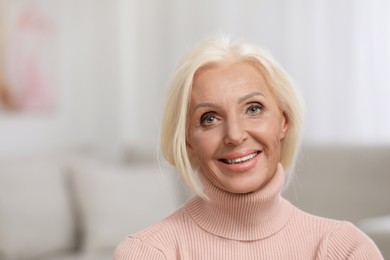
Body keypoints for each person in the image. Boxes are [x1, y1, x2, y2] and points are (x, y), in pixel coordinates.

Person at [113, 37, 383, 259]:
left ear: (283, 121)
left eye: (253, 109)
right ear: (187, 141)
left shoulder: (346, 250)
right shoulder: (147, 252)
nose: (235, 135)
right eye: (209, 118)